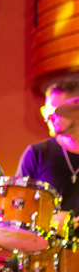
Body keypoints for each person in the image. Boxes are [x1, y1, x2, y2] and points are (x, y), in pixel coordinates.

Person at [19, 75, 79, 213]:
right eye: (46, 111)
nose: (49, 118)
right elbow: (19, 210)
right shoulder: (36, 154)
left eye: (57, 112)